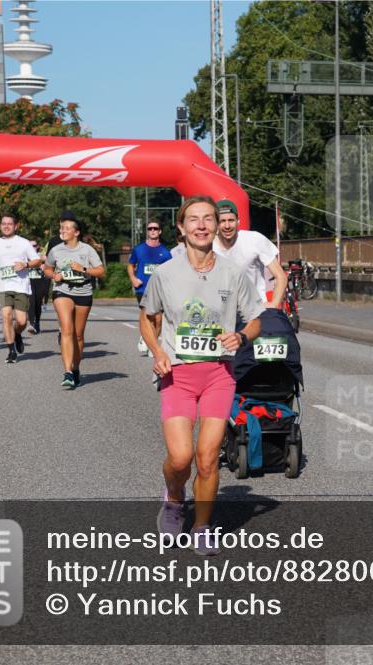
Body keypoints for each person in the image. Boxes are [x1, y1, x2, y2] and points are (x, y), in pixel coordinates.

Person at [140, 195, 264, 554]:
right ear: (181, 228)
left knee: (207, 457)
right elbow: (147, 319)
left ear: (216, 225)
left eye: (208, 218)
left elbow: (256, 318)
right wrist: (158, 352)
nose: (202, 225)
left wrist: (241, 335)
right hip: (177, 374)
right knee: (181, 458)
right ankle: (175, 498)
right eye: (193, 219)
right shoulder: (165, 273)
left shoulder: (232, 273)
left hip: (218, 374)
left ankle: (202, 525)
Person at [44, 211, 105, 389]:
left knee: (78, 335)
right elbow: (47, 269)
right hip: (62, 291)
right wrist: (54, 275)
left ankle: (76, 367)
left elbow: (101, 271)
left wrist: (84, 269)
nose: (62, 230)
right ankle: (67, 372)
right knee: (67, 330)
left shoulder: (87, 250)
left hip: (84, 292)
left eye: (67, 228)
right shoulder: (55, 250)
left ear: (76, 232)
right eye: (61, 227)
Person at [0, 214, 41, 364]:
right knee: (6, 315)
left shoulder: (24, 243)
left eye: (9, 224)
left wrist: (25, 265)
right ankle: (11, 351)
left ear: (16, 226)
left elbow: (37, 260)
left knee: (21, 321)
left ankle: (17, 334)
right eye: (3, 224)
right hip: (2, 286)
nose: (6, 226)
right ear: (0, 226)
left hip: (21, 285)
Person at [213, 199, 287, 309]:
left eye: (231, 220)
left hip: (254, 310)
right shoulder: (207, 247)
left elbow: (280, 275)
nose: (227, 225)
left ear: (238, 221)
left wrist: (274, 304)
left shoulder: (254, 239)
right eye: (222, 221)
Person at [128, 219, 172, 355]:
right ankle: (149, 341)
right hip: (143, 289)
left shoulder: (165, 252)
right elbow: (130, 265)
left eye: (155, 228)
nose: (152, 231)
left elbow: (170, 271)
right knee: (148, 315)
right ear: (147, 232)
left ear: (159, 231)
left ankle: (150, 340)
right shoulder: (139, 249)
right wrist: (133, 279)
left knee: (158, 319)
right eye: (150, 229)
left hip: (159, 289)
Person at [27, 239, 49, 335]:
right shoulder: (24, 256)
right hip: (29, 281)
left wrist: (45, 265)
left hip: (40, 281)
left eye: (34, 245)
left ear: (38, 247)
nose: (33, 247)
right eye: (30, 246)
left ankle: (37, 322)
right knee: (31, 302)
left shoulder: (41, 255)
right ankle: (31, 323)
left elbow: (49, 262)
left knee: (38, 304)